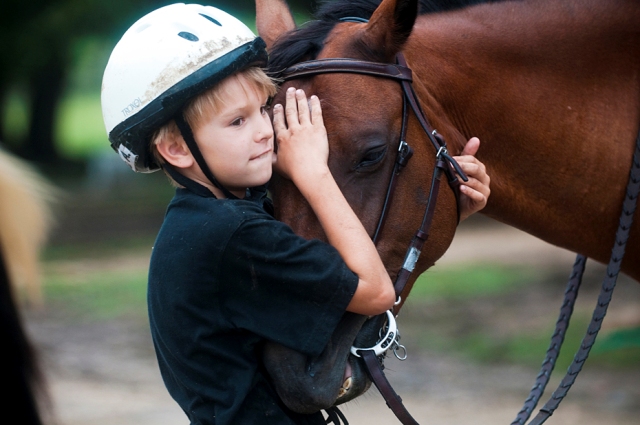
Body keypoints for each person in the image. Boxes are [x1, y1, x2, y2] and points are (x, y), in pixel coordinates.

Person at [100, 4, 490, 425]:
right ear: (176, 149)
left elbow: (337, 265)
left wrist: (450, 208)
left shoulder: (207, 222)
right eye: (236, 122)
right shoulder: (233, 235)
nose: (266, 130)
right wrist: (312, 172)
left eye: (263, 110)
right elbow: (376, 293)